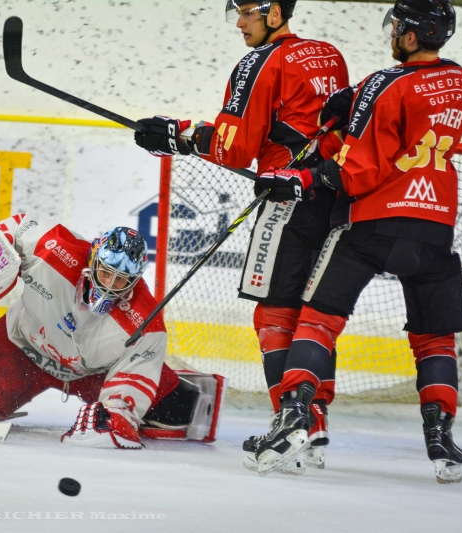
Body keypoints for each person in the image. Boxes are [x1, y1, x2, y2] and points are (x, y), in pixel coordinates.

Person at [254, 0, 462, 483]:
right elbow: (415, 99)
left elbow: (359, 169)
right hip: (435, 225)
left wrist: (302, 180)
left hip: (372, 225)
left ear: (411, 36)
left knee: (318, 320)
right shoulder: (460, 80)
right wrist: (354, 98)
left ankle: (295, 414)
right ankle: (439, 434)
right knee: (434, 335)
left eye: (397, 26)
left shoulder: (383, 82)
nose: (392, 32)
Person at [133, 0, 349, 472]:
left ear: (274, 13)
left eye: (247, 12)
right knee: (310, 316)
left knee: (275, 316)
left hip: (287, 201)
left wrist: (178, 135)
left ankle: (290, 423)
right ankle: (315, 420)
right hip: (332, 197)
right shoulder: (328, 54)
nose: (239, 22)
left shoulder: (259, 62)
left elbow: (235, 149)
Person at [0, 215, 225, 448]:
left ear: (135, 282)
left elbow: (132, 381)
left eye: (121, 280)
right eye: (106, 272)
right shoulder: (56, 250)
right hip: (22, 349)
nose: (109, 284)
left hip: (94, 374)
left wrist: (116, 414)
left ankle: (178, 384)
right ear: (92, 259)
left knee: (180, 411)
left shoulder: (147, 323)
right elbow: (15, 229)